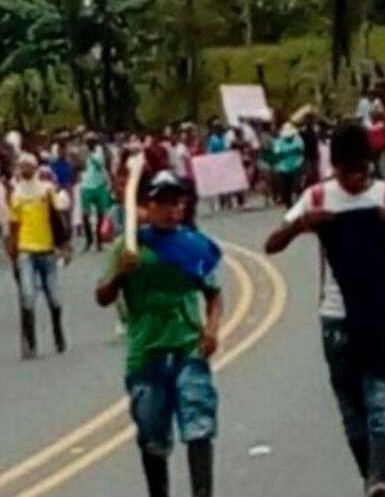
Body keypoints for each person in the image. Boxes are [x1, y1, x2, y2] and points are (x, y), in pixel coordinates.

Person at [265, 123, 385, 497]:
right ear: (334, 167)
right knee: (353, 413)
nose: (354, 180)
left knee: (381, 402)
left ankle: (378, 479)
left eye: (362, 171)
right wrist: (302, 224)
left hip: (380, 314)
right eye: (347, 172)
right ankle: (371, 479)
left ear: (370, 164)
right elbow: (272, 243)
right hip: (336, 319)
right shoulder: (317, 198)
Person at [95, 171, 223, 497]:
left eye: (175, 203)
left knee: (198, 423)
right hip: (147, 352)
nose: (170, 210)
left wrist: (211, 330)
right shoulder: (130, 246)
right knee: (152, 433)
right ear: (146, 207)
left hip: (187, 347)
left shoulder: (193, 245)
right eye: (161, 203)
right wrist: (119, 273)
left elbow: (213, 293)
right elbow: (102, 296)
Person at [8, 153, 69, 359]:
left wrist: (65, 245)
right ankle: (30, 341)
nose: (24, 170)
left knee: (54, 297)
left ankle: (58, 332)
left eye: (28, 166)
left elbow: (57, 219)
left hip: (47, 249)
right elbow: (14, 226)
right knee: (28, 295)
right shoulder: (16, 195)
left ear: (35, 168)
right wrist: (13, 253)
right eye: (21, 166)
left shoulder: (46, 190)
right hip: (26, 249)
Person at [80, 136, 112, 252]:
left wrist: (92, 155)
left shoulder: (100, 152)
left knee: (101, 214)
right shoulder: (83, 152)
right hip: (86, 185)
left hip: (100, 185)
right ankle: (89, 239)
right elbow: (79, 165)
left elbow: (101, 164)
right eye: (88, 142)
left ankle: (99, 240)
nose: (89, 144)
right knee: (85, 215)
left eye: (91, 142)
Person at [272, 122, 306, 208]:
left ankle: (300, 203)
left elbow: (301, 151)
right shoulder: (278, 141)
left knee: (297, 186)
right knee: (286, 188)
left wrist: (291, 152)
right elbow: (277, 154)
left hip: (297, 164)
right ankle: (289, 205)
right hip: (283, 167)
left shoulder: (298, 139)